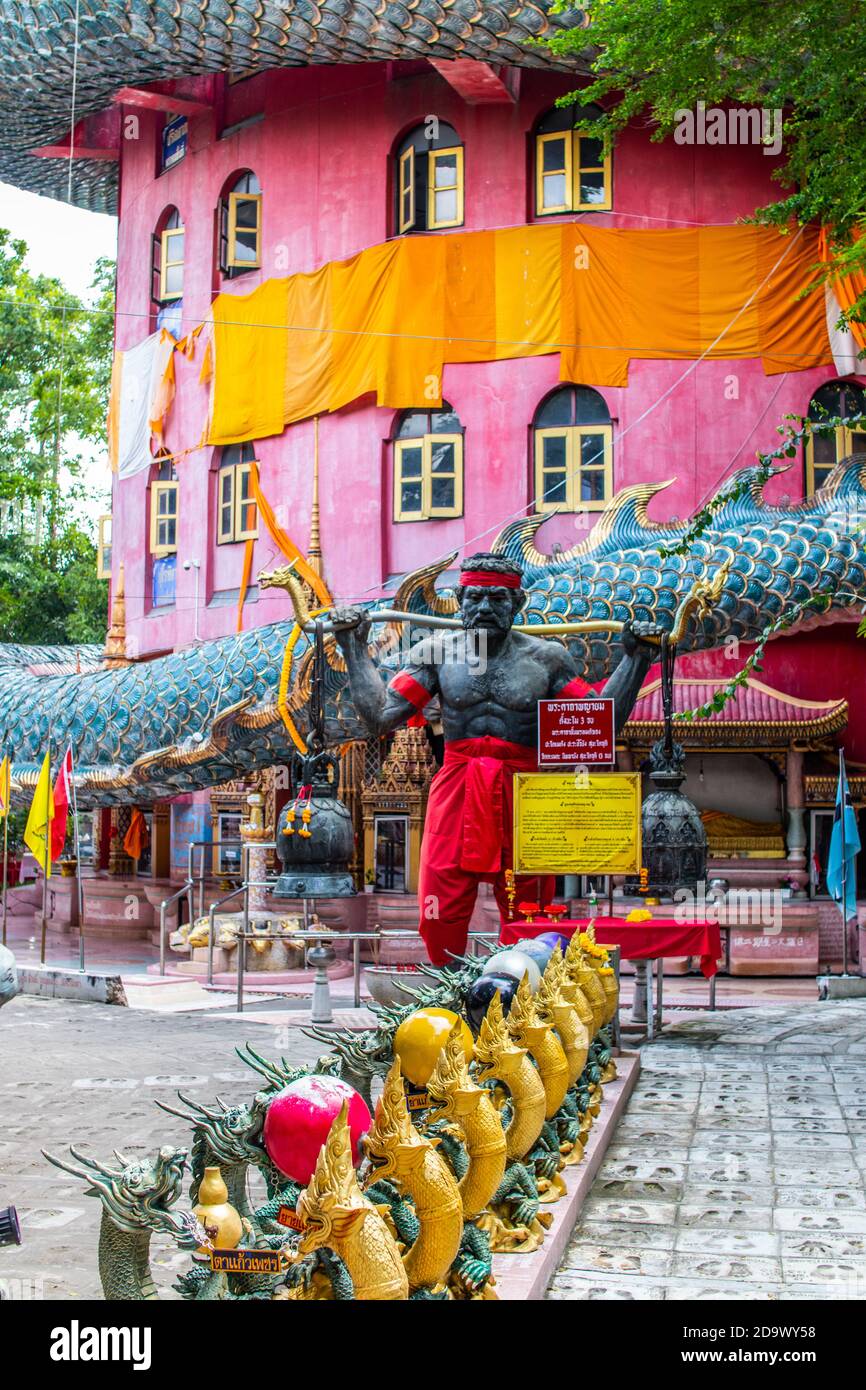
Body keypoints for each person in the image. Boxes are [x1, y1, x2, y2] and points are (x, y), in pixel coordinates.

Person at [332, 553, 661, 965]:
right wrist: (352, 646)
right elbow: (380, 717)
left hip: (524, 792)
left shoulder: (547, 658)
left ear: (517, 603)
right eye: (476, 598)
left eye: (498, 599)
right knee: (439, 905)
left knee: (530, 906)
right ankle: (448, 987)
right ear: (459, 600)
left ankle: (520, 986)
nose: (485, 608)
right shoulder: (436, 653)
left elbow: (600, 724)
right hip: (457, 787)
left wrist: (637, 659)